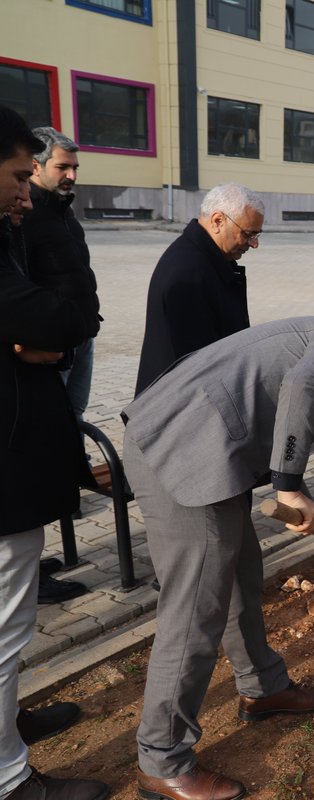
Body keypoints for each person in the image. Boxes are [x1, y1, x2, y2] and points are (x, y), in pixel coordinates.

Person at [122, 315, 314, 800]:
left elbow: (293, 397)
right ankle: (162, 758)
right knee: (195, 612)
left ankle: (262, 687)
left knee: (241, 572)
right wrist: (287, 484)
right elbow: (304, 384)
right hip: (181, 453)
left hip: (201, 448)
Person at [0, 103, 108, 800]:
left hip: (17, 453)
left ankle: (7, 725)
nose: (26, 189)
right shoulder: (16, 234)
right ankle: (10, 779)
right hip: (6, 469)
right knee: (5, 626)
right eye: (17, 175)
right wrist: (51, 319)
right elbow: (69, 315)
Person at [16, 128, 97, 605]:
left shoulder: (63, 212)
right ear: (37, 167)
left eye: (74, 168)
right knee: (44, 446)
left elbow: (73, 273)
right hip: (48, 351)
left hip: (79, 339)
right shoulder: (25, 215)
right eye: (62, 167)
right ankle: (28, 571)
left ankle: (31, 554)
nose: (70, 176)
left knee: (71, 428)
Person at [134, 183, 264, 395]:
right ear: (218, 221)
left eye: (257, 235)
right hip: (178, 409)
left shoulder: (205, 258)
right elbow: (200, 365)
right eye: (249, 234)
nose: (254, 244)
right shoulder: (188, 273)